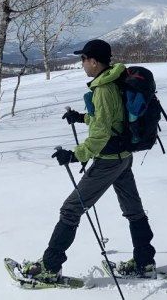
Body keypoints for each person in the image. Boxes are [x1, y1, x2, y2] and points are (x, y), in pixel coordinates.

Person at [21, 39, 156, 282]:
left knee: (71, 209)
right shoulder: (116, 79)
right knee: (134, 211)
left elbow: (102, 133)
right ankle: (145, 262)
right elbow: (113, 121)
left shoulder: (103, 89)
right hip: (124, 158)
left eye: (83, 59)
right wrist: (82, 117)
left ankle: (49, 268)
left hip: (109, 161)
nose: (82, 63)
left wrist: (75, 155)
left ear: (94, 61)